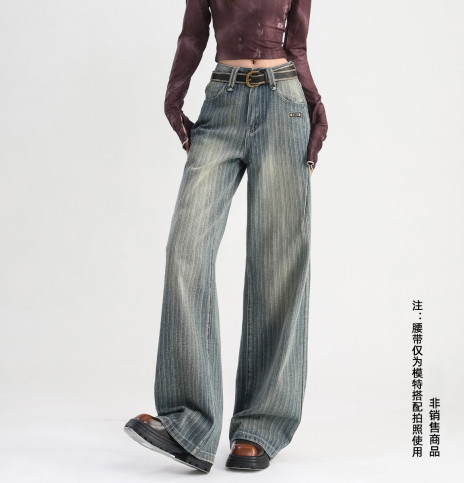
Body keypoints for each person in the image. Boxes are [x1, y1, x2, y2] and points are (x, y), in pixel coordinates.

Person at [124, 0, 328, 473]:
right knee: (186, 250)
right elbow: (192, 35)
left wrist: (316, 108)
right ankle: (188, 424)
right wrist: (173, 100)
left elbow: (296, 46)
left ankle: (260, 426)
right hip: (222, 102)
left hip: (284, 103)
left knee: (278, 264)